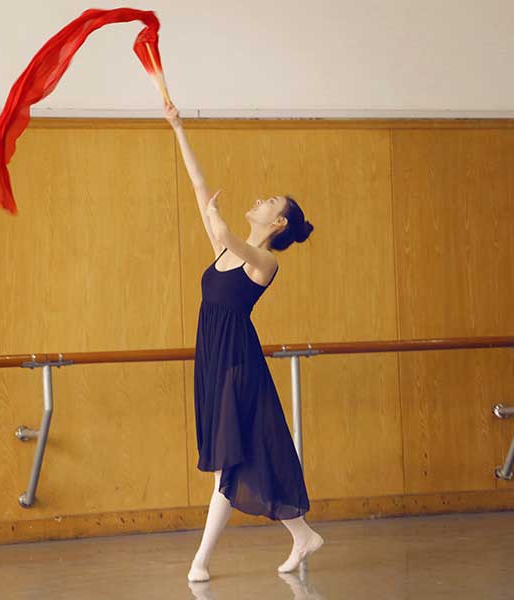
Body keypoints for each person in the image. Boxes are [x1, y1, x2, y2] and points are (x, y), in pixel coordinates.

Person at [162, 101, 323, 582]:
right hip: (213, 362)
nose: (259, 200)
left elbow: (229, 235)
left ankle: (201, 562)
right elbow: (198, 187)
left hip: (238, 366)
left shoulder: (263, 262)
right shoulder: (225, 252)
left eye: (269, 202)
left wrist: (218, 219)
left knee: (228, 466)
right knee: (246, 455)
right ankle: (302, 535)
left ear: (278, 225)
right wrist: (177, 126)